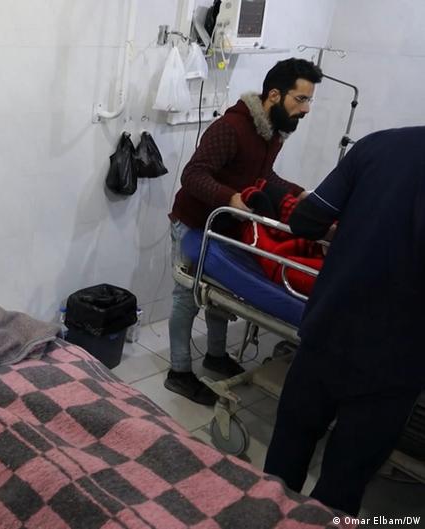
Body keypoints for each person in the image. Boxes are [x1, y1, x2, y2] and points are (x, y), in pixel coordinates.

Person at [264, 126, 425, 516]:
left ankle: (265, 519)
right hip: (396, 361)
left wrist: (357, 226)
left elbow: (305, 222)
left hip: (329, 328)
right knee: (343, 485)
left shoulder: (379, 144)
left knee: (282, 465)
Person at [166, 58, 322, 404]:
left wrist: (302, 195)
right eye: (301, 99)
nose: (306, 109)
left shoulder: (272, 133)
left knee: (222, 293)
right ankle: (178, 372)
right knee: (188, 296)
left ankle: (215, 356)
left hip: (225, 225)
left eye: (309, 100)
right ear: (274, 95)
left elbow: (264, 177)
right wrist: (230, 197)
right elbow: (192, 175)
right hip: (194, 221)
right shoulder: (232, 128)